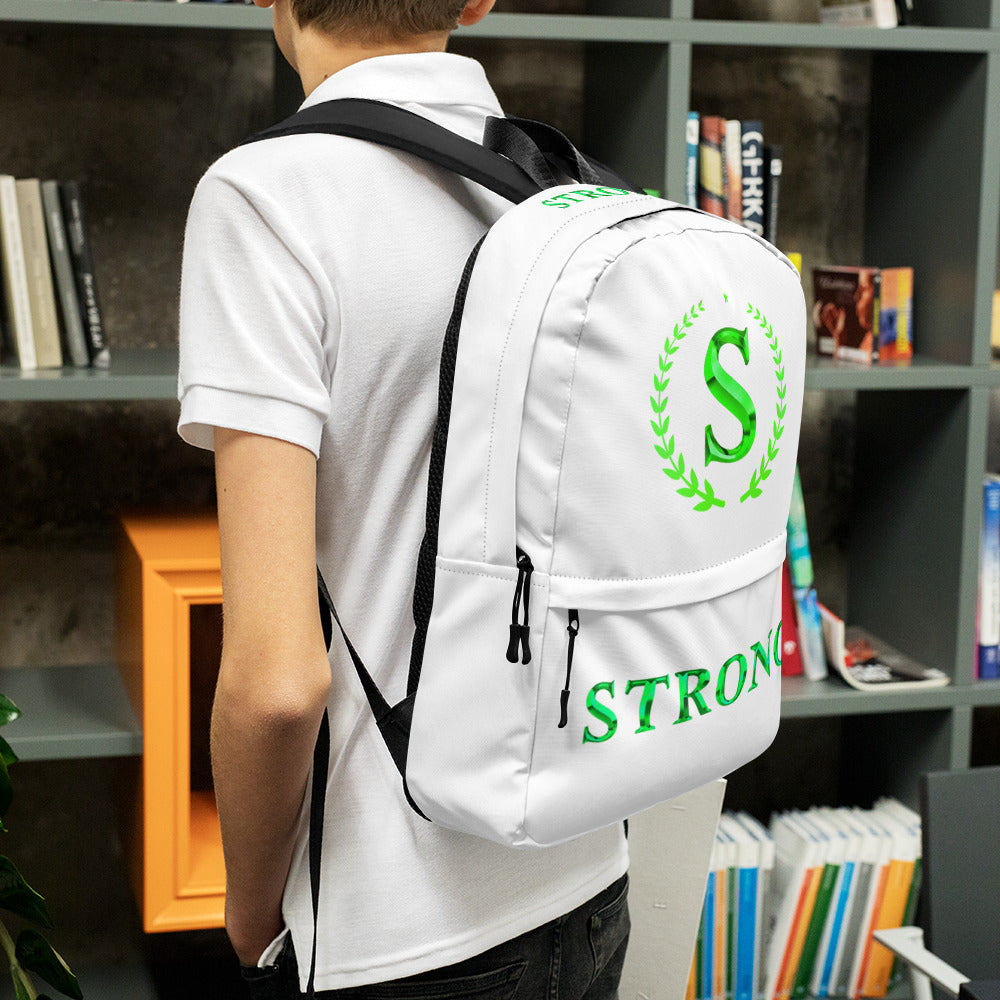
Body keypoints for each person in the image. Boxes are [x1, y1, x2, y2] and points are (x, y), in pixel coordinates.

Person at [176, 0, 630, 996]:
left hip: (400, 928)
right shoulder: (571, 194)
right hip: (589, 873)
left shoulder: (266, 197)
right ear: (478, 0)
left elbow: (276, 683)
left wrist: (250, 915)